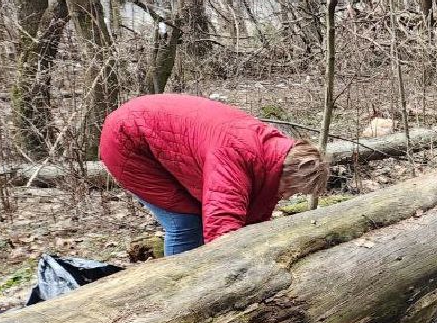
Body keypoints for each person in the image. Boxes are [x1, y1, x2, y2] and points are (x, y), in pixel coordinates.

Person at [99, 94, 329, 255]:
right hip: (129, 141)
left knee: (198, 216)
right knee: (186, 223)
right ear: (284, 172)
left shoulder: (273, 153)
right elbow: (222, 229)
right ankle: (181, 289)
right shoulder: (236, 155)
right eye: (291, 189)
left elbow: (252, 213)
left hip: (158, 132)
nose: (288, 197)